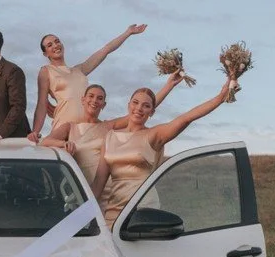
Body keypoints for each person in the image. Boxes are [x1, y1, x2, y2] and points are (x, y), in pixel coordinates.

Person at [91, 76, 240, 226]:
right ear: (128, 104)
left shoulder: (154, 135)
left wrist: (220, 97)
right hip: (113, 212)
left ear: (152, 112)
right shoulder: (110, 137)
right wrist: (76, 222)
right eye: (135, 103)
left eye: (146, 106)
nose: (139, 109)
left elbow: (186, 118)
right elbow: (98, 185)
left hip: (142, 210)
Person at [38, 72, 183, 185]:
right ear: (83, 100)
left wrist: (169, 85)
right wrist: (64, 144)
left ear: (104, 104)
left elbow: (140, 110)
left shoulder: (108, 126)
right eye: (91, 96)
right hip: (84, 187)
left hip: (108, 186)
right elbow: (45, 142)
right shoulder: (70, 127)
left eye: (100, 98)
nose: (94, 101)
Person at [31, 24, 147, 137]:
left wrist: (128, 33)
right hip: (64, 129)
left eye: (57, 41)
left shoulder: (79, 70)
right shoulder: (46, 71)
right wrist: (35, 132)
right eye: (50, 45)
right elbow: (42, 103)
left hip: (86, 129)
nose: (55, 45)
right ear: (45, 54)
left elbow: (105, 50)